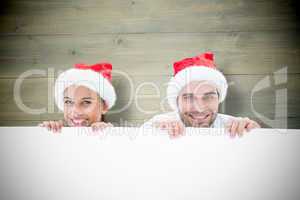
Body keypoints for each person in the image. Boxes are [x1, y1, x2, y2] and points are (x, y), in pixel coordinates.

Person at [142, 52, 260, 138]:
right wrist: (152, 133)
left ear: (219, 99)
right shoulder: (160, 124)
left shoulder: (235, 127)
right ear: (177, 101)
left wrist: (257, 136)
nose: (200, 107)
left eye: (208, 97)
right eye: (188, 97)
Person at [39, 62, 116, 133]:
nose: (75, 111)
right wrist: (47, 133)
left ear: (104, 106)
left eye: (86, 102)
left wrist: (108, 134)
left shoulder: (114, 137)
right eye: (68, 102)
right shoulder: (59, 134)